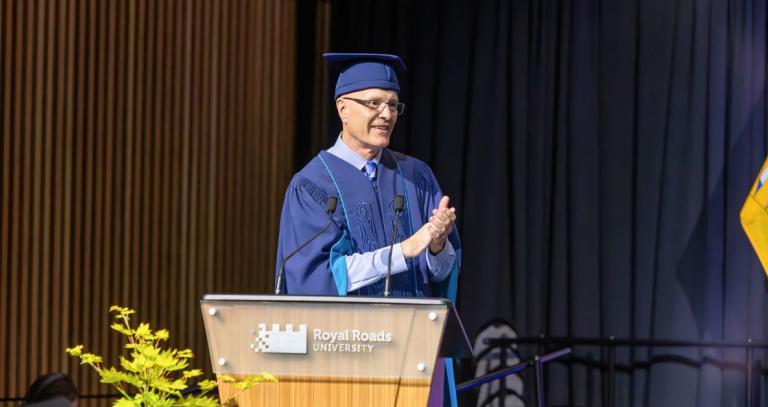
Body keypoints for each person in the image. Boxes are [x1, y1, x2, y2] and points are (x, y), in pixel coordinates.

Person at [275, 53, 461, 300]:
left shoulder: (417, 177)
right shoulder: (311, 186)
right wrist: (402, 251)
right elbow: (315, 279)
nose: (387, 114)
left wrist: (437, 247)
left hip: (413, 324)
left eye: (393, 105)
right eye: (374, 103)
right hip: (349, 325)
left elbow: (441, 276)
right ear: (343, 109)